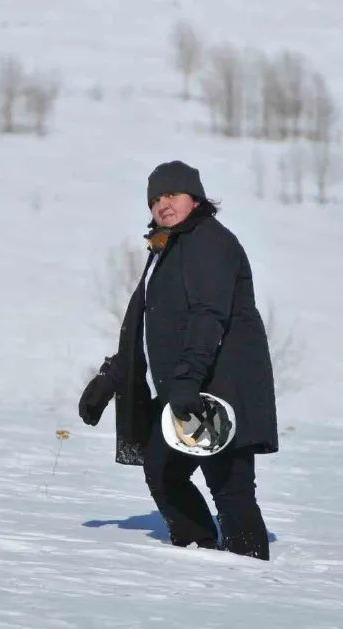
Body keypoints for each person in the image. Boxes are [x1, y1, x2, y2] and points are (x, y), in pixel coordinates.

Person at [77, 160, 279, 561]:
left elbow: (209, 316)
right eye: (155, 199)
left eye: (171, 195)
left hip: (221, 387)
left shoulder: (209, 241)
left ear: (195, 198)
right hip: (191, 388)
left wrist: (187, 380)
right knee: (164, 470)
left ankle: (251, 573)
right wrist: (111, 378)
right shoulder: (168, 248)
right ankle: (200, 552)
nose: (162, 205)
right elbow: (151, 330)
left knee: (230, 484)